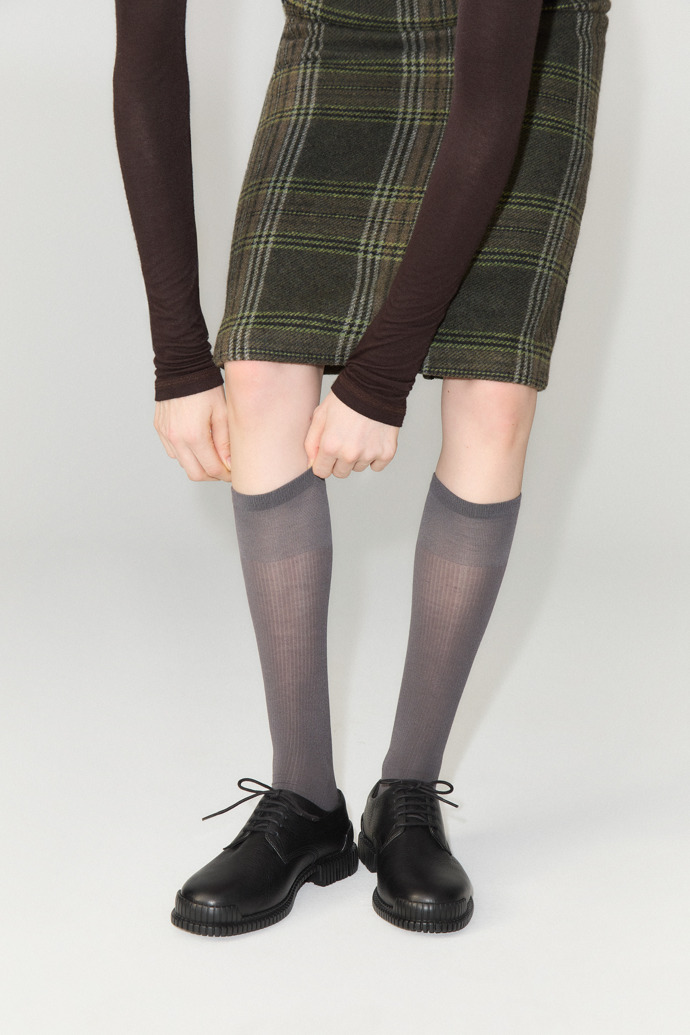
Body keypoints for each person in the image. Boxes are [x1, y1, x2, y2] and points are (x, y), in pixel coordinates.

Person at [113, 0, 610, 936]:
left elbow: (489, 109)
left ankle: (408, 794)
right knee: (259, 376)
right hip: (341, 31)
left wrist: (379, 380)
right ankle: (304, 800)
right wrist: (179, 356)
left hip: (520, 61)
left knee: (492, 399)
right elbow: (146, 73)